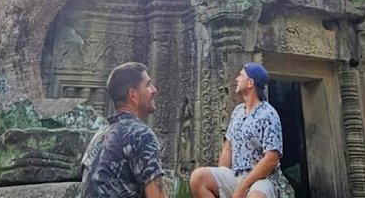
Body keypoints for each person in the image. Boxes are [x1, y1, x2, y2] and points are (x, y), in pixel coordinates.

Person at [190, 63, 283, 198]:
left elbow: (271, 159)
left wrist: (242, 187)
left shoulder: (269, 114)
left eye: (241, 75)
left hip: (262, 180)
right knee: (198, 178)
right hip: (236, 176)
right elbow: (228, 148)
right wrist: (220, 178)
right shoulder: (238, 112)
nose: (237, 79)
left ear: (250, 83)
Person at [81, 62, 167, 198]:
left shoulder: (98, 136)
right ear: (133, 95)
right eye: (148, 85)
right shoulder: (141, 134)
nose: (154, 90)